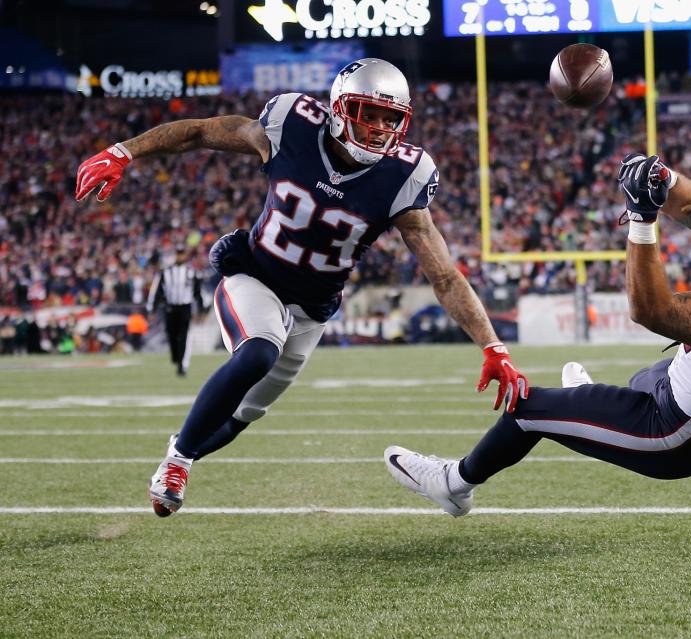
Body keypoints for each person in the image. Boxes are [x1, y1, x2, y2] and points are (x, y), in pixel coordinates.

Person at [75, 58, 529, 516]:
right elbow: (200, 132)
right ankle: (176, 463)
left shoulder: (403, 176)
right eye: (367, 113)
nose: (377, 128)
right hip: (256, 274)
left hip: (314, 307)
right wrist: (123, 152)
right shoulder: (291, 125)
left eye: (390, 118)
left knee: (241, 416)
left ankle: (182, 451)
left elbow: (445, 275)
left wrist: (494, 347)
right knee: (257, 352)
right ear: (338, 108)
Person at [384, 153, 691, 516]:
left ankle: (454, 484)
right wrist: (663, 180)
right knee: (638, 380)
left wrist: (642, 220)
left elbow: (653, 311)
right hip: (688, 388)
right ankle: (587, 407)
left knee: (527, 410)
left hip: (678, 432)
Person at [146, 245, 205, 376]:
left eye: (182, 253)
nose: (180, 256)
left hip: (185, 308)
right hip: (170, 307)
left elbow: (197, 293)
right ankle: (176, 357)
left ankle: (181, 365)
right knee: (171, 334)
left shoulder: (192, 272)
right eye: (178, 253)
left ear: (185, 255)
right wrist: (152, 310)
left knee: (183, 336)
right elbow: (156, 292)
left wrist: (200, 310)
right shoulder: (165, 272)